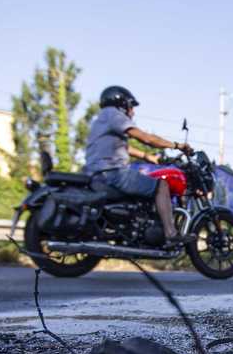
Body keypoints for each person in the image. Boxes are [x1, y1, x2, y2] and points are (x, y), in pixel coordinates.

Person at [82, 85, 194, 248]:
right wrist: (177, 145)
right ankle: (171, 234)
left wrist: (148, 157)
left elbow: (121, 147)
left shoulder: (101, 119)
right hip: (112, 173)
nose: (132, 112)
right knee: (161, 185)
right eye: (131, 106)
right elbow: (146, 138)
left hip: (98, 173)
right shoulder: (114, 114)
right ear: (121, 103)